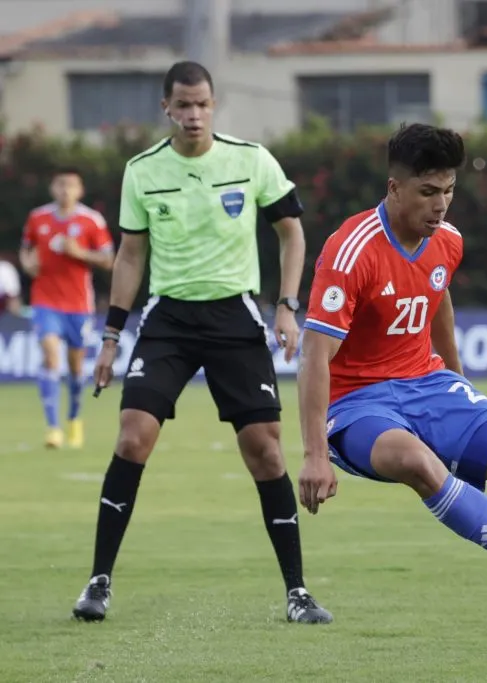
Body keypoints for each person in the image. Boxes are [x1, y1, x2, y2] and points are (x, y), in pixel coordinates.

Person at [296, 123, 487, 668]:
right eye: (427, 192)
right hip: (359, 404)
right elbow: (313, 356)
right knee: (415, 461)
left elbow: (437, 297)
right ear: (394, 188)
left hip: (431, 385)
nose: (440, 205)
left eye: (448, 191)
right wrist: (314, 456)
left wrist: (461, 383)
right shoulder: (350, 251)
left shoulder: (450, 241)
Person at [72, 61, 332, 625]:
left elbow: (292, 233)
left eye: (203, 105)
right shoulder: (142, 171)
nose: (194, 115)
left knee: (265, 451)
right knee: (132, 437)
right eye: (184, 106)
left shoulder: (252, 159)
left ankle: (298, 592)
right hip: (167, 319)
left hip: (235, 319)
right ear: (166, 108)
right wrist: (111, 337)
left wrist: (288, 306)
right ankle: (98, 581)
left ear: (215, 105)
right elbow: (131, 255)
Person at [19, 168, 114, 448]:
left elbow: (109, 259)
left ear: (80, 190)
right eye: (60, 185)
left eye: (70, 186)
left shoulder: (91, 221)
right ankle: (53, 428)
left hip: (78, 304)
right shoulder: (38, 218)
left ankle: (74, 418)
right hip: (45, 301)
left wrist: (80, 253)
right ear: (52, 189)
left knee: (75, 368)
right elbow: (26, 248)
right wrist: (27, 263)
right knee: (50, 357)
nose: (65, 191)